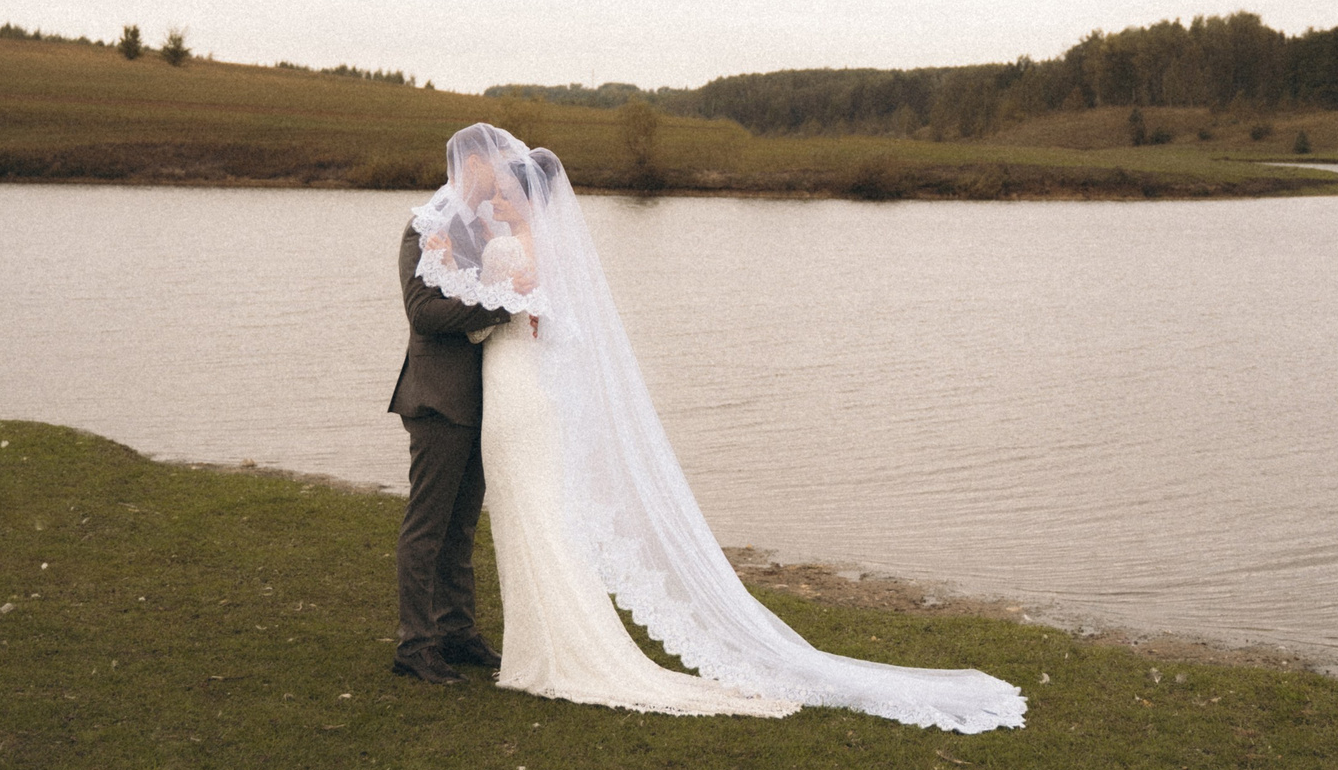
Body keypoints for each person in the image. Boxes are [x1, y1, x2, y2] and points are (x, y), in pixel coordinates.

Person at [401, 122, 1026, 732]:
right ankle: (454, 641)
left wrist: (489, 289)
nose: (495, 195)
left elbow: (494, 319)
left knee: (519, 517)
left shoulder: (502, 246)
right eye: (494, 183)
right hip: (493, 396)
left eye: (507, 188)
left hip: (514, 394)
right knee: (500, 519)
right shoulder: (448, 230)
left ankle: (513, 643)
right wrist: (479, 283)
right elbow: (449, 312)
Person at [385, 156, 516, 685]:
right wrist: (499, 308)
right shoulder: (424, 227)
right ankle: (415, 645)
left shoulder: (484, 228)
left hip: (485, 400)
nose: (497, 176)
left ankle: (457, 632)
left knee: (461, 528)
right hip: (438, 398)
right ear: (468, 166)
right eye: (489, 166)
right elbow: (423, 313)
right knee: (427, 528)